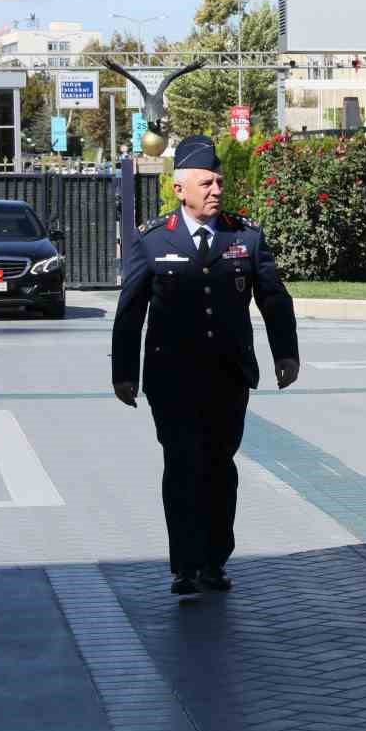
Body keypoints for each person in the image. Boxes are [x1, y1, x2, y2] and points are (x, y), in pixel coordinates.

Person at [112, 135, 301, 597]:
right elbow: (130, 311)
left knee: (218, 466)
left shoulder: (245, 236)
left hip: (226, 375)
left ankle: (214, 560)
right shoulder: (153, 240)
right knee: (181, 465)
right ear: (180, 189)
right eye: (206, 183)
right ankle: (185, 565)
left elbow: (274, 299)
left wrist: (286, 353)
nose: (216, 190)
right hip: (171, 378)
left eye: (219, 182)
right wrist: (124, 373)